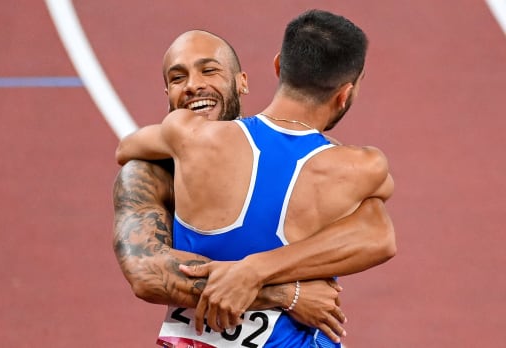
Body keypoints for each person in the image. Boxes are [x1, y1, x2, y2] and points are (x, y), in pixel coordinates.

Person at [114, 13, 395, 347]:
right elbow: (146, 274)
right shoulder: (360, 169)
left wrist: (254, 270)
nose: (193, 86)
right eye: (179, 78)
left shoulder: (184, 136)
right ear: (345, 94)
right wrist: (284, 292)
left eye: (209, 70)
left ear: (276, 67)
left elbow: (127, 145)